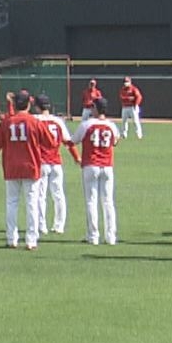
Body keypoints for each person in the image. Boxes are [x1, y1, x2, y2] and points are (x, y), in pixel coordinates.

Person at [0, 90, 45, 249]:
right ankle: (31, 240)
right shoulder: (35, 122)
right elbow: (50, 143)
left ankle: (11, 239)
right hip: (31, 166)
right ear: (28, 104)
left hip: (12, 167)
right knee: (32, 203)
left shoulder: (7, 122)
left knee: (12, 203)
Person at [65, 98, 119, 245]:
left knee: (91, 201)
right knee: (108, 202)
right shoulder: (111, 126)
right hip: (107, 166)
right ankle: (111, 237)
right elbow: (116, 141)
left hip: (91, 165)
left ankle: (93, 236)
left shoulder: (87, 124)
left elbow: (73, 141)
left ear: (96, 108)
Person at [31, 94, 69, 235]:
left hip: (41, 162)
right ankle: (59, 225)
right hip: (56, 162)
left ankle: (42, 226)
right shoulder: (57, 121)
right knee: (58, 194)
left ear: (37, 106)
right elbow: (67, 140)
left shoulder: (35, 120)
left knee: (41, 195)